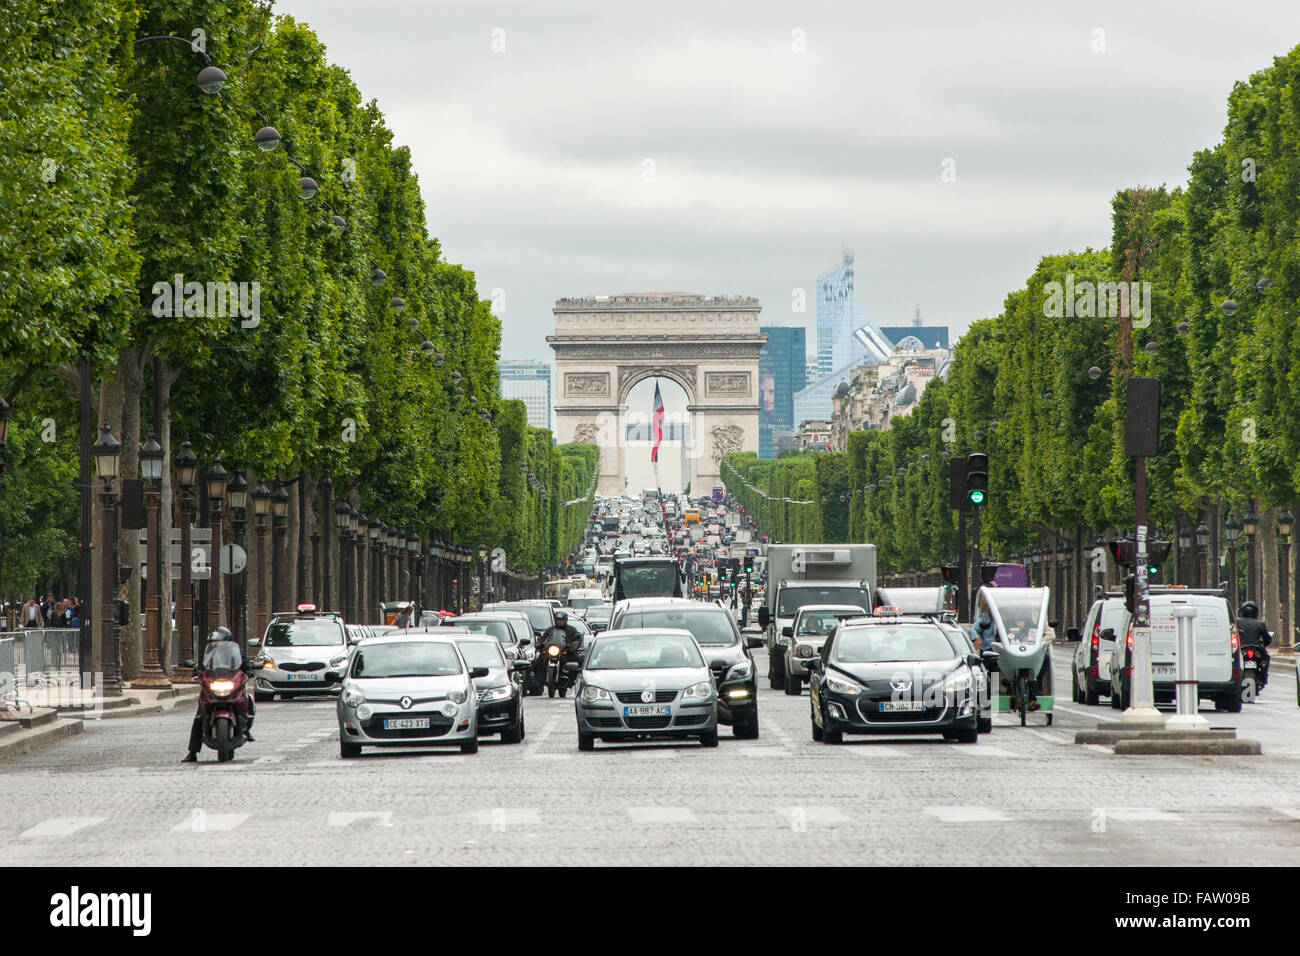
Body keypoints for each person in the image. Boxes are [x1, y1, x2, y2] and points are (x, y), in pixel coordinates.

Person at [182, 627, 256, 762]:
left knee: (247, 700)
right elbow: (201, 667)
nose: (215, 643)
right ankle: (192, 752)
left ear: (226, 640)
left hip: (231, 684)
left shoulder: (236, 652)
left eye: (218, 640)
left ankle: (246, 727)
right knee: (199, 716)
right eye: (213, 641)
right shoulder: (208, 654)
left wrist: (250, 671)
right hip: (213, 687)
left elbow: (245, 665)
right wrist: (197, 672)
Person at [533, 610, 582, 685]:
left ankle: (573, 679)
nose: (560, 622)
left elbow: (576, 639)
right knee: (538, 661)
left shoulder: (571, 629)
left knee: (576, 660)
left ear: (565, 620)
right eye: (558, 620)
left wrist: (573, 646)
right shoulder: (550, 629)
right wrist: (539, 644)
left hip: (565, 652)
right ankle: (539, 680)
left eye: (562, 620)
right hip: (551, 651)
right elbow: (544, 638)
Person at [1236, 601, 1272, 690]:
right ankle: (1263, 678)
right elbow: (1267, 638)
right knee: (1265, 660)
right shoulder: (1260, 624)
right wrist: (1263, 644)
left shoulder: (1237, 622)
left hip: (1241, 648)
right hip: (1257, 649)